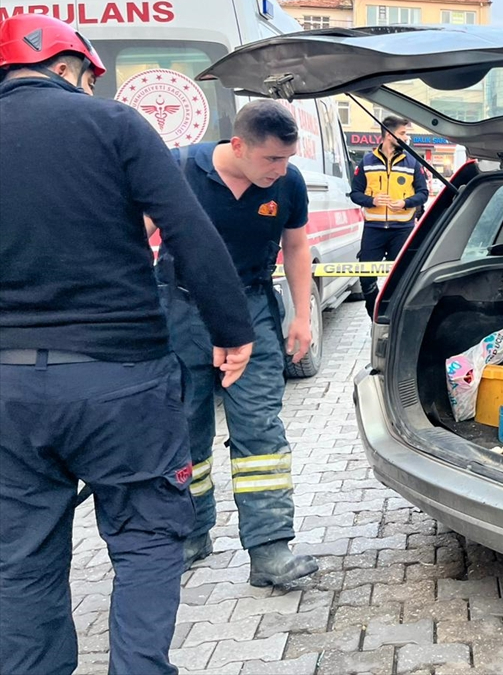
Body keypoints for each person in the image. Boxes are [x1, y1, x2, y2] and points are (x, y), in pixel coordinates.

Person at [0, 14, 255, 675]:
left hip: (9, 392)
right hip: (123, 381)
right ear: (67, 67)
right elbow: (190, 234)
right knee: (145, 544)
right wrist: (232, 332)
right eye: (89, 77)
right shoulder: (114, 125)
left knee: (21, 560)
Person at [149, 101, 320, 587]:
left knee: (261, 430)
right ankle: (191, 533)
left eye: (287, 159)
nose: (281, 170)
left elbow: (296, 245)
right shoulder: (178, 169)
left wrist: (302, 317)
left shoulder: (288, 184)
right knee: (184, 428)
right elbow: (133, 235)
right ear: (238, 145)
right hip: (181, 312)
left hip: (253, 312)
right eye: (271, 160)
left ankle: (269, 550)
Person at [350, 115, 429, 319]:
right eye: (403, 133)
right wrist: (372, 200)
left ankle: (394, 317)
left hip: (402, 229)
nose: (406, 137)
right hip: (374, 228)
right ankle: (374, 316)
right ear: (388, 134)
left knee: (402, 279)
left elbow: (423, 193)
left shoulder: (412, 162)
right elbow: (355, 194)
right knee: (366, 278)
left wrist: (405, 203)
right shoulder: (367, 161)